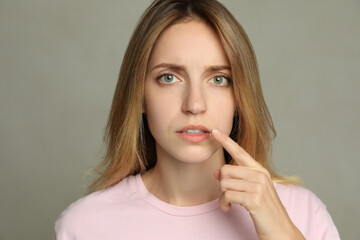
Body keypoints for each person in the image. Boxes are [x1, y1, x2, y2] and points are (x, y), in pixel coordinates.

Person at [54, 0, 340, 239]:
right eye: (169, 78)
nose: (194, 104)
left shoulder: (302, 214)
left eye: (218, 79)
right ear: (139, 95)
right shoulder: (84, 226)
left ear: (239, 99)